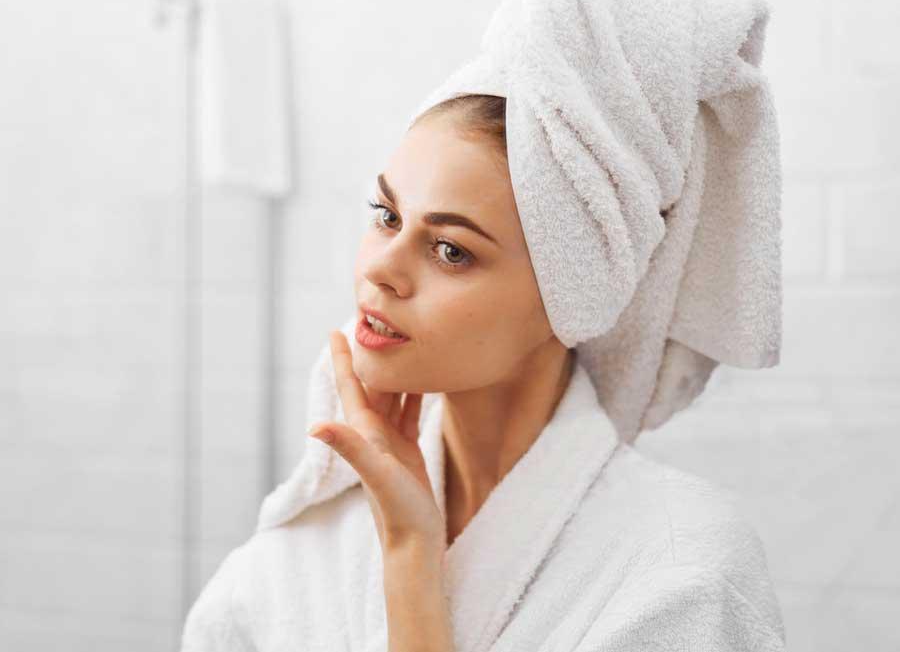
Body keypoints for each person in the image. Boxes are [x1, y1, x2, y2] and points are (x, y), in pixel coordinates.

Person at [180, 94, 787, 651]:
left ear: (571, 301)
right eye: (387, 216)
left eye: (451, 250)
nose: (383, 268)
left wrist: (411, 559)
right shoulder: (296, 557)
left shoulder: (686, 570)